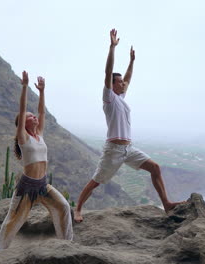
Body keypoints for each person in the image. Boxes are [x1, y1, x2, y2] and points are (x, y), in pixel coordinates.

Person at [74, 29, 184, 223]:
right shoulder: (108, 98)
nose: (123, 83)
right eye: (119, 82)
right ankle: (77, 209)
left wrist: (132, 61)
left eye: (123, 82)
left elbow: (129, 78)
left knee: (155, 168)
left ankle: (166, 204)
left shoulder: (121, 99)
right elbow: (108, 71)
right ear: (112, 84)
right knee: (95, 182)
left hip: (128, 148)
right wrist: (112, 47)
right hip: (113, 150)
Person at [0, 71, 73, 255]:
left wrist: (42, 91)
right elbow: (21, 109)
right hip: (26, 188)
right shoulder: (23, 137)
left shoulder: (39, 135)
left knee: (63, 207)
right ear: (22, 123)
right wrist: (25, 87)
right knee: (13, 219)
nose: (34, 116)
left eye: (33, 115)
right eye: (30, 116)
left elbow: (42, 111)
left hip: (43, 185)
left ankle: (67, 243)